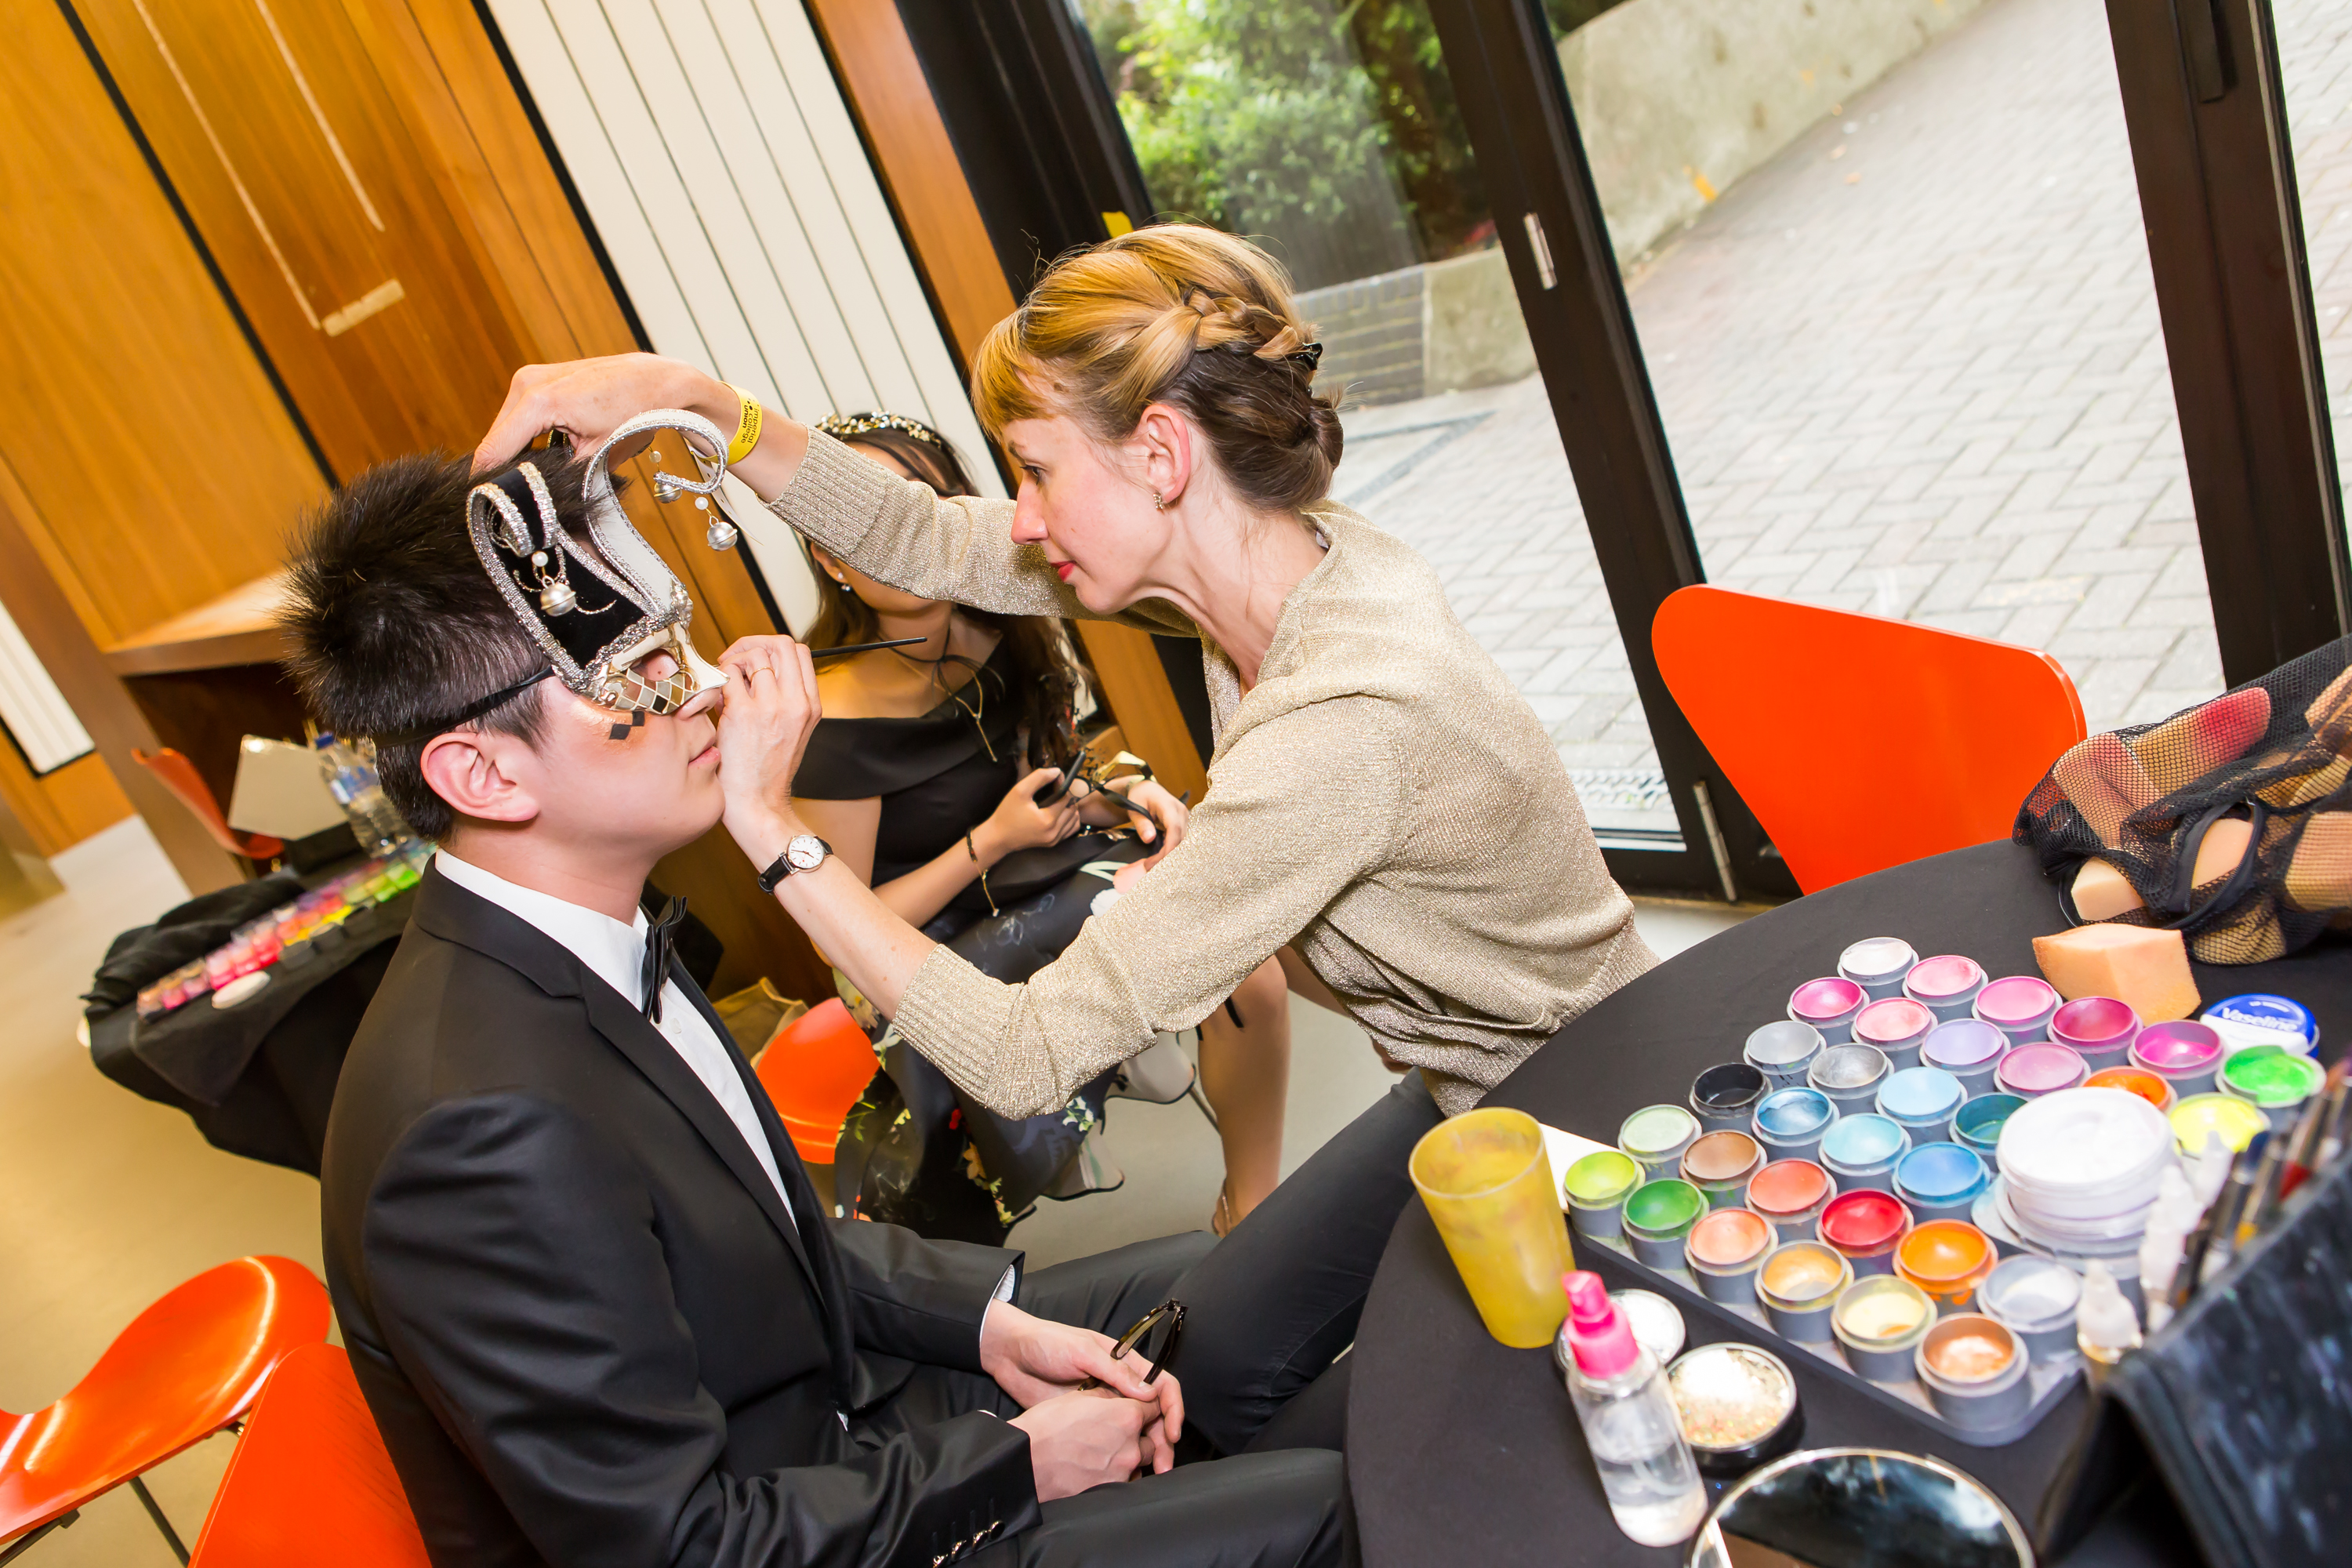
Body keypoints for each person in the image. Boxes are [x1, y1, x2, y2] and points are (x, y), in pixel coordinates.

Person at [290, 424, 1425, 1567]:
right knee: (1328, 1502)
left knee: (1262, 1293)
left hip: (863, 1411)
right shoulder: (475, 1131)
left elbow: (775, 1248)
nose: (701, 693)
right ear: (481, 773)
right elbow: (679, 1548)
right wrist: (1016, 1462)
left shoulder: (589, 936)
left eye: (672, 646)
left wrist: (992, 1323)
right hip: (807, 1516)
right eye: (633, 677)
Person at [473, 222, 1659, 1130]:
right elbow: (921, 538)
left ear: (1159, 454)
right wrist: (697, 401)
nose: (1023, 519)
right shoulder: (1281, 556)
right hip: (1501, 1072)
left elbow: (1023, 1055)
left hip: (1590, 1104)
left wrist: (765, 823)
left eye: (1036, 471)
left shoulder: (1344, 720)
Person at [795, 411, 1290, 1241]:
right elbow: (839, 934)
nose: (895, 536)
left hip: (1034, 868)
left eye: (915, 507)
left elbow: (1066, 759)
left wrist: (1127, 791)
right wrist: (991, 840)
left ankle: (1258, 1193)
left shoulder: (999, 625)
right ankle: (1257, 1206)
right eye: (862, 519)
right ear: (826, 554)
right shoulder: (828, 718)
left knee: (1243, 912)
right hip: (919, 946)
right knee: (1219, 933)